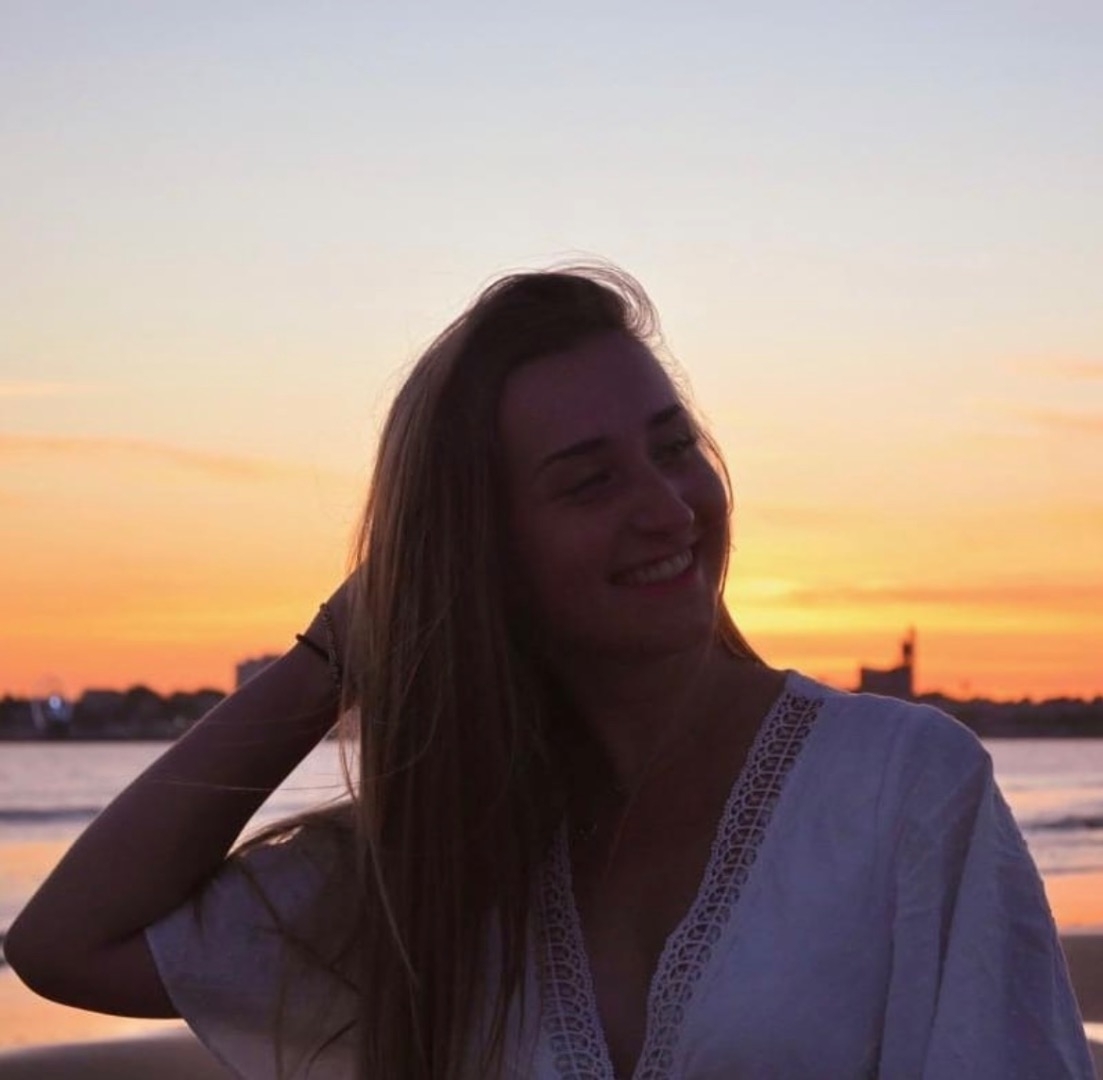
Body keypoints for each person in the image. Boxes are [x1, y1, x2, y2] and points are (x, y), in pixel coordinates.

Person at [5, 266, 1094, 1079]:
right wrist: (335, 652)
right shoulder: (432, 873)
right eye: (588, 482)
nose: (666, 509)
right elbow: (65, 946)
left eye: (673, 447)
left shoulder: (900, 788)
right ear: (482, 549)